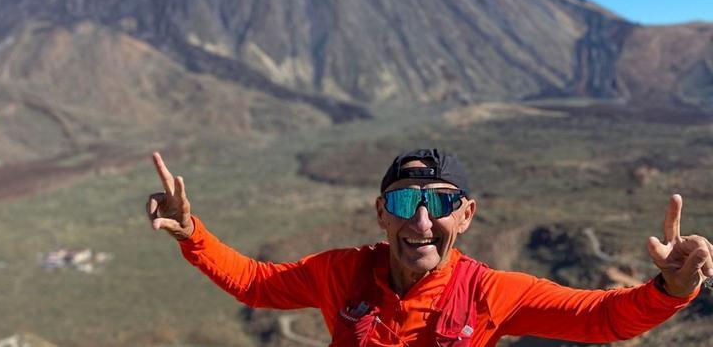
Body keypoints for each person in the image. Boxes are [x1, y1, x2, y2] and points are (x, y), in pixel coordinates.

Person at [145, 149, 713, 346]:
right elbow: (256, 283)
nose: (421, 220)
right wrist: (193, 233)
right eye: (402, 203)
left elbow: (602, 319)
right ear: (380, 215)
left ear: (465, 217)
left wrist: (671, 289)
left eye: (440, 203)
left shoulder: (490, 294)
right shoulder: (341, 272)